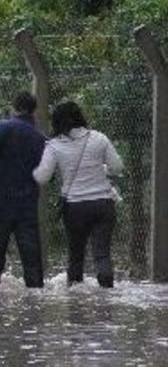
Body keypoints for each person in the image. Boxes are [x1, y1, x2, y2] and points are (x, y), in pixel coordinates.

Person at [33, 101, 123, 288]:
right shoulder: (99, 138)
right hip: (103, 204)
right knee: (102, 254)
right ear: (80, 117)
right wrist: (102, 169)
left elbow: (42, 177)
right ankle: (107, 300)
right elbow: (117, 167)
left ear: (57, 121)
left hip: (75, 208)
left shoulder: (54, 146)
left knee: (75, 256)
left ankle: (76, 306)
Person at [0, 91, 47, 289]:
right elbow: (47, 173)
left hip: (0, 202)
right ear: (34, 110)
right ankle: (35, 305)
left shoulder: (2, 128)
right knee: (31, 258)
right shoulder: (40, 138)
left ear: (14, 107)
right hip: (27, 204)